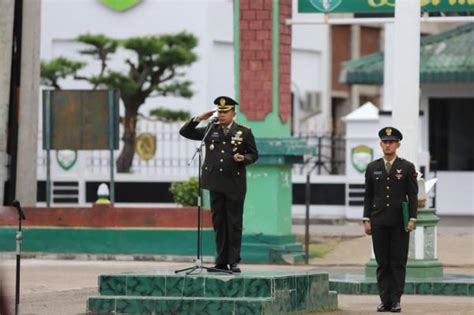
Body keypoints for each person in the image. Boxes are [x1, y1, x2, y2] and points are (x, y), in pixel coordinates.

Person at [179, 96, 258, 273]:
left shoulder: (243, 132)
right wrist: (199, 118)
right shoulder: (210, 129)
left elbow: (254, 154)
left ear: (233, 113)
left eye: (225, 112)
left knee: (234, 223)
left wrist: (244, 158)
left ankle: (234, 261)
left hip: (234, 184)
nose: (221, 115)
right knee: (219, 223)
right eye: (219, 112)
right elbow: (185, 132)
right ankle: (221, 261)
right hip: (215, 182)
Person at [363, 127, 418, 313]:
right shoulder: (372, 168)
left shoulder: (407, 167)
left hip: (399, 223)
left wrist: (412, 218)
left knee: (397, 262)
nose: (388, 145)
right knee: (382, 263)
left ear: (398, 145)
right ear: (381, 145)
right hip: (378, 221)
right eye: (385, 142)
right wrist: (366, 219)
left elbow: (412, 195)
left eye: (391, 142)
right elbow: (368, 196)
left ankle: (396, 300)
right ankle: (384, 300)